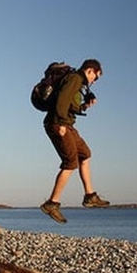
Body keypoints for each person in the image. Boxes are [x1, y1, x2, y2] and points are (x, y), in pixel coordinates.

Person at [40, 58, 109, 223]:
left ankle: (90, 196)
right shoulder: (76, 78)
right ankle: (52, 203)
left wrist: (85, 106)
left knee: (85, 154)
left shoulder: (78, 83)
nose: (95, 80)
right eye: (96, 77)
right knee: (70, 163)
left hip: (66, 124)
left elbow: (70, 105)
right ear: (90, 70)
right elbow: (62, 100)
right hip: (58, 124)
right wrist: (61, 124)